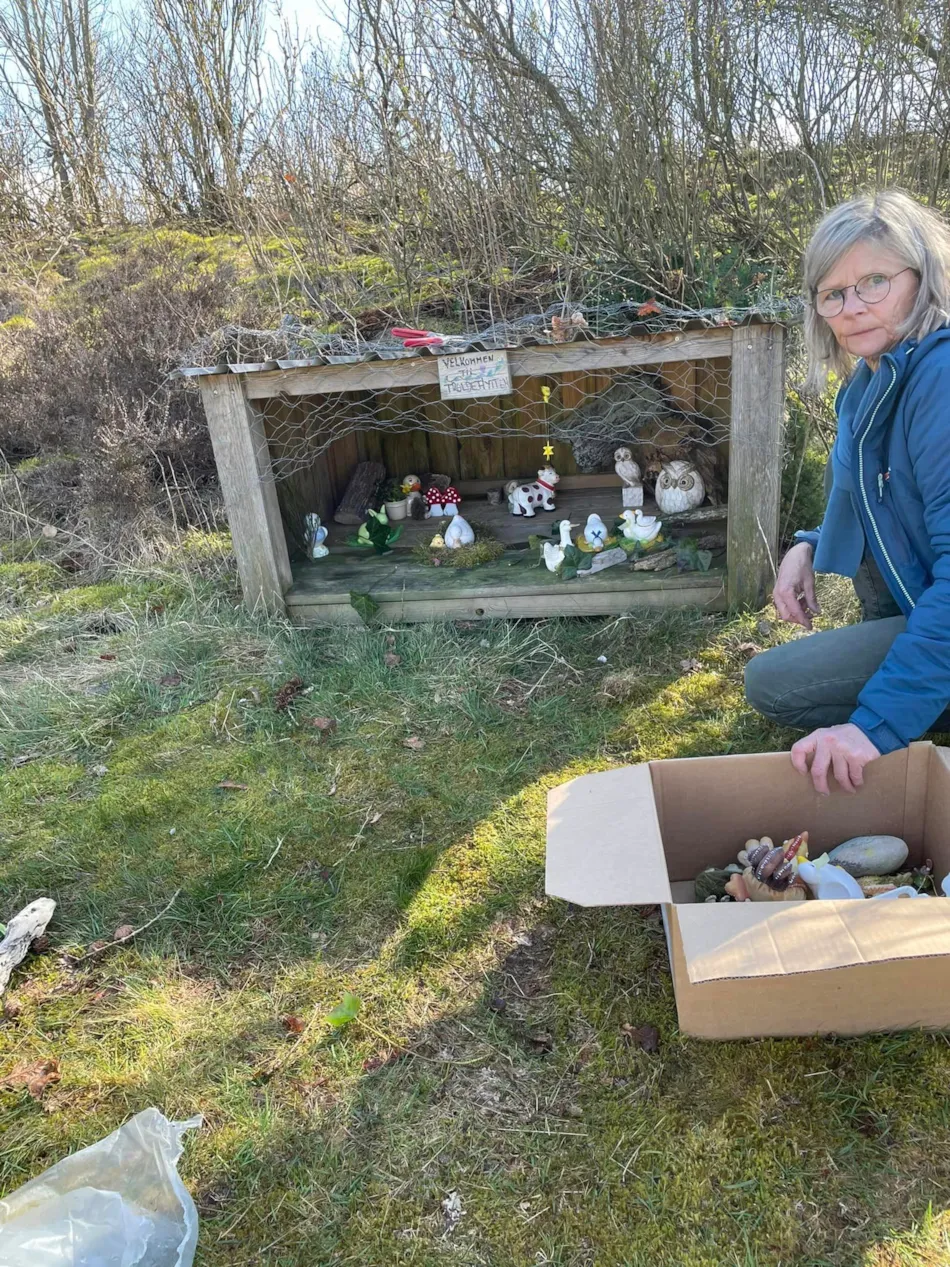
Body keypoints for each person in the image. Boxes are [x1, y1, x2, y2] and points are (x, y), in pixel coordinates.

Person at [745, 189, 950, 795]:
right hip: (924, 605)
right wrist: (807, 544)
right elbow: (869, 493)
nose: (852, 307)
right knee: (773, 681)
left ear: (924, 277)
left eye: (875, 282)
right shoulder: (867, 383)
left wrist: (874, 727)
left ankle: (916, 701)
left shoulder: (939, 381)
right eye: (833, 293)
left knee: (773, 685)